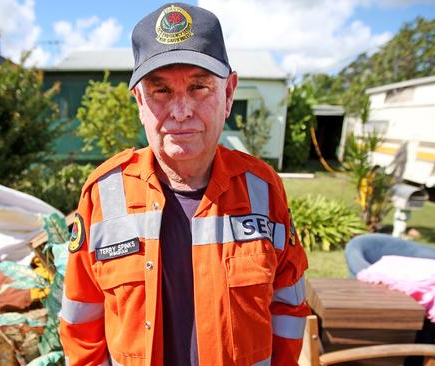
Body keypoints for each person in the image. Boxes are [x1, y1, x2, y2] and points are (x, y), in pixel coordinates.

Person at [60, 3, 309, 365]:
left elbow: (287, 303)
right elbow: (81, 320)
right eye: (160, 90)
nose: (180, 112)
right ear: (139, 102)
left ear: (229, 94)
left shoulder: (263, 189)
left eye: (199, 87)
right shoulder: (103, 193)